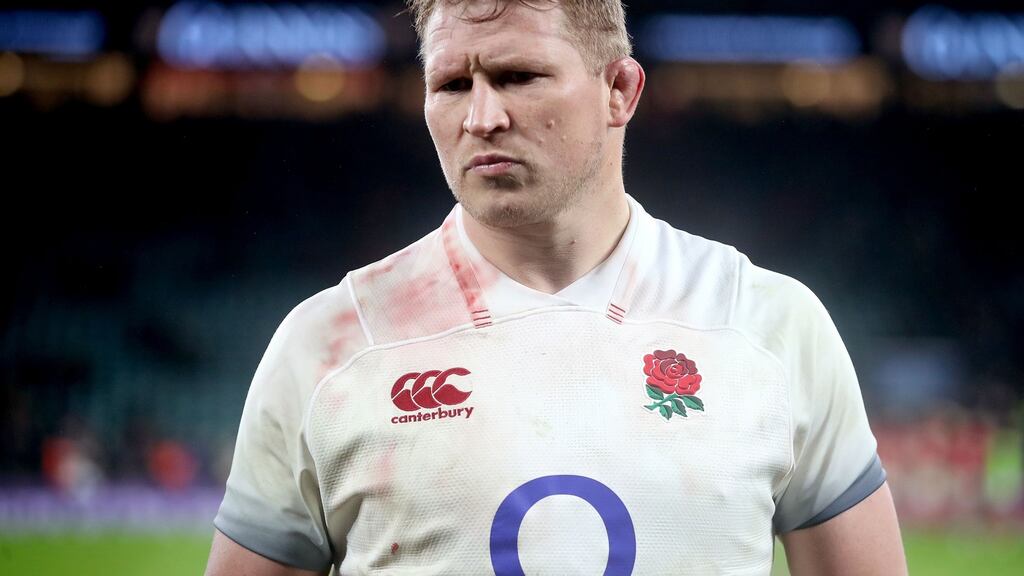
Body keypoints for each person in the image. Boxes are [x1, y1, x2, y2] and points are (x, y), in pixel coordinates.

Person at [205, 1, 908, 574]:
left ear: (619, 92)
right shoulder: (332, 344)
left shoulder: (768, 325)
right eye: (452, 85)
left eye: (518, 76)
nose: (481, 118)